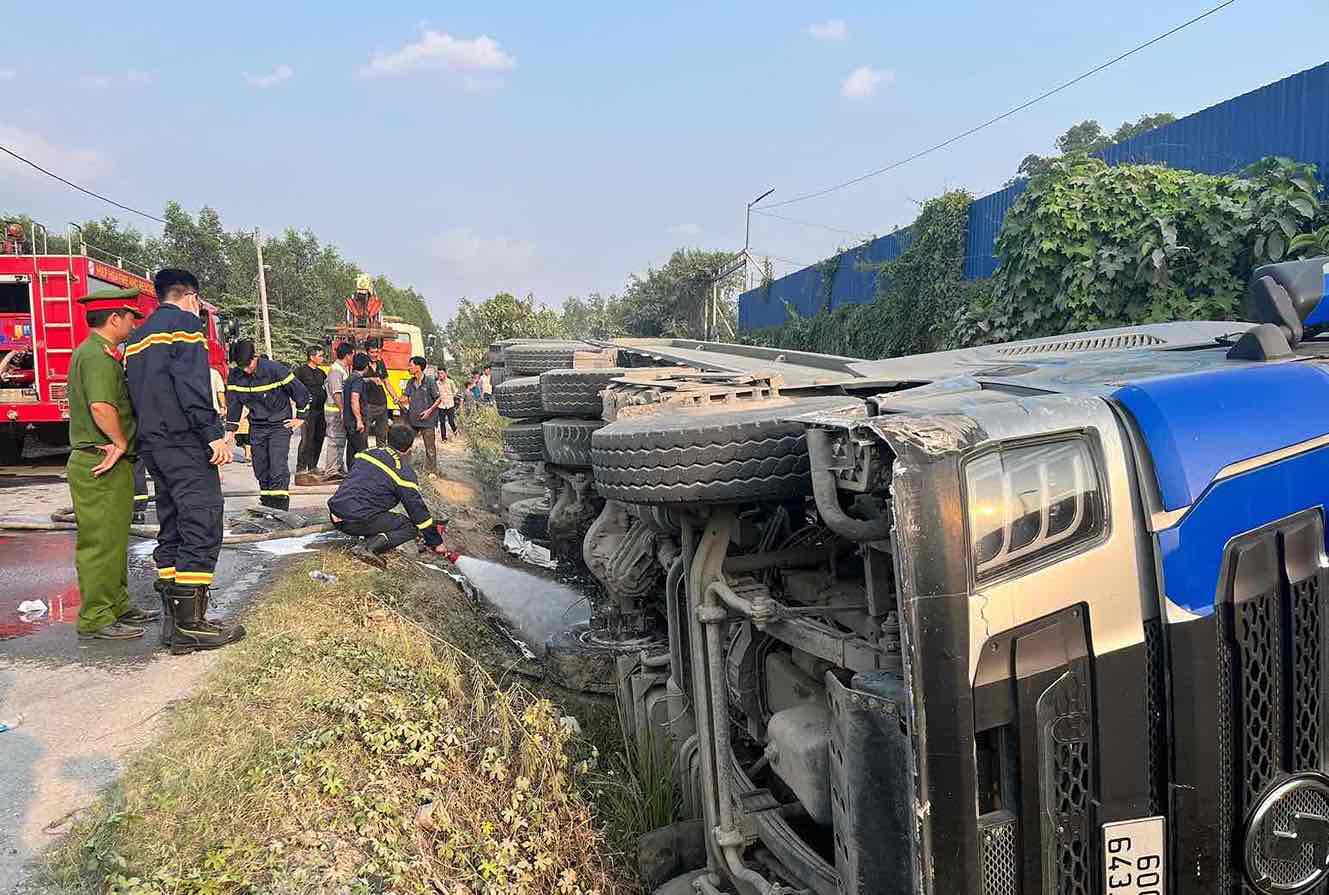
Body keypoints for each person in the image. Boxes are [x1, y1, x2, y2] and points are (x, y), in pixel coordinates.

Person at [124, 268, 244, 654]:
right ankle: (191, 625)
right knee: (202, 521)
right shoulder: (186, 327)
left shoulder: (137, 337)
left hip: (154, 445)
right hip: (184, 442)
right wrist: (213, 434)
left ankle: (174, 623)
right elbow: (192, 387)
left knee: (173, 523)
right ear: (191, 297)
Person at [66, 288, 159, 640]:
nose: (134, 322)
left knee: (116, 539)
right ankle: (96, 615)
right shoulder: (96, 357)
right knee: (100, 543)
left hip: (111, 463)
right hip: (100, 461)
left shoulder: (102, 354)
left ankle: (117, 603)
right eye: (131, 316)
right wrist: (120, 441)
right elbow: (101, 407)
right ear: (113, 318)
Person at [328, 424, 453, 567]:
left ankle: (370, 536)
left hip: (335, 513)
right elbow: (418, 513)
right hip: (354, 521)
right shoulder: (403, 473)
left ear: (388, 439)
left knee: (374, 507)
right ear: (409, 448)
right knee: (408, 527)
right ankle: (367, 548)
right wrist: (437, 543)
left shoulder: (366, 453)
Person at [224, 339, 309, 511]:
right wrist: (230, 432)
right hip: (257, 425)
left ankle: (279, 508)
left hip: (279, 425)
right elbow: (234, 405)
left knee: (277, 466)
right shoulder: (236, 375)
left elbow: (301, 392)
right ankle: (267, 504)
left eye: (248, 365)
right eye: (242, 367)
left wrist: (300, 417)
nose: (246, 370)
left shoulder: (275, 370)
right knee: (260, 467)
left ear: (255, 357)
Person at [401, 355, 440, 474]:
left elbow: (438, 399)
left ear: (418, 367)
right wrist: (399, 401)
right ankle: (404, 469)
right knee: (405, 444)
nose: (409, 368)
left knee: (430, 448)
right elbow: (406, 398)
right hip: (412, 420)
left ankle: (431, 471)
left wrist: (429, 411)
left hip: (427, 421)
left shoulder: (430, 381)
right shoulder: (410, 382)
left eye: (410, 365)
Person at [293, 345, 327, 475]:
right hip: (307, 412)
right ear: (312, 357)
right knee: (307, 439)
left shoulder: (321, 373)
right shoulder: (300, 371)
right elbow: (294, 388)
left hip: (320, 410)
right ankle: (301, 467)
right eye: (320, 356)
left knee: (319, 438)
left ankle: (313, 466)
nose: (322, 358)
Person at [321, 342, 352, 479]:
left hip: (338, 411)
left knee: (340, 440)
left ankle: (338, 467)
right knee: (334, 441)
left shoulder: (342, 370)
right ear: (347, 355)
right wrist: (342, 410)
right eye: (352, 355)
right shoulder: (335, 371)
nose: (353, 357)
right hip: (334, 412)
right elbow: (337, 393)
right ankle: (331, 470)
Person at [342, 352, 371, 469]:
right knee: (362, 451)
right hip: (355, 422)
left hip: (349, 420)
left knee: (351, 449)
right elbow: (354, 400)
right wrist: (359, 420)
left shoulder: (350, 378)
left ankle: (351, 473)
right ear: (366, 366)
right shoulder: (358, 380)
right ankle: (362, 476)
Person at [362, 338, 391, 445]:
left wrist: (396, 398)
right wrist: (370, 379)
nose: (375, 354)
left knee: (382, 435)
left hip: (382, 404)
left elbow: (386, 382)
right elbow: (355, 378)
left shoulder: (380, 363)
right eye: (372, 352)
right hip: (368, 404)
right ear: (367, 352)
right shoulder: (362, 363)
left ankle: (381, 456)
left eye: (377, 352)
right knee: (363, 435)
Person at [434, 368, 458, 441]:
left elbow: (455, 391)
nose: (440, 375)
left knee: (451, 421)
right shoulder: (437, 383)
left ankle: (455, 430)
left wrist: (450, 397)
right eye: (438, 373)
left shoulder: (450, 382)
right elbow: (436, 393)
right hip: (441, 405)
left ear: (445, 374)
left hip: (450, 404)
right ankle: (444, 438)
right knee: (442, 422)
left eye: (441, 373)